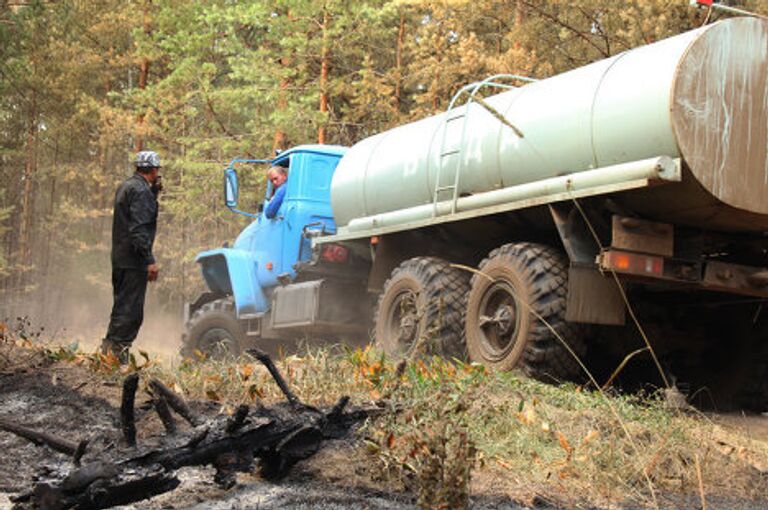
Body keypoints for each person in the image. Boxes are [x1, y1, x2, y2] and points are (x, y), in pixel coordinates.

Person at [101, 150, 162, 363]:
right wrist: (149, 260)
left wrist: (153, 194)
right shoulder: (141, 191)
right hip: (134, 260)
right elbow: (139, 229)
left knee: (121, 307)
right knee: (131, 311)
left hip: (120, 258)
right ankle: (115, 358)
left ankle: (108, 354)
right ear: (153, 169)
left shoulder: (127, 187)